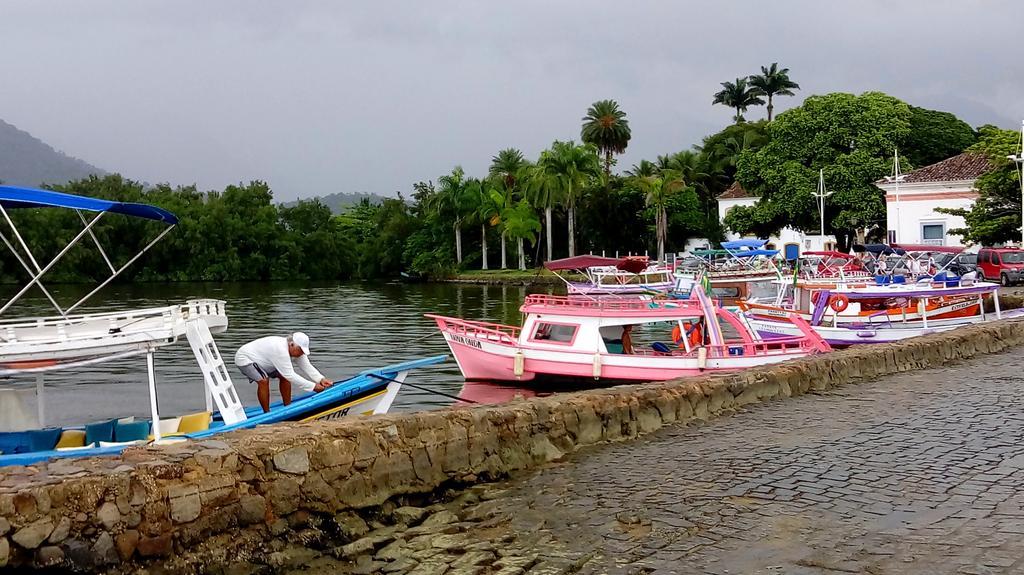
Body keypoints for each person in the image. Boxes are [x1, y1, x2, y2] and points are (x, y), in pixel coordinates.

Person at [234, 332, 333, 413]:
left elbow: (306, 366)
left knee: (283, 376)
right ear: (292, 345)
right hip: (245, 359)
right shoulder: (280, 350)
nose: (301, 354)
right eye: (300, 351)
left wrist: (321, 379)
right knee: (263, 381)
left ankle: (287, 407)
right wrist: (313, 387)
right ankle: (267, 413)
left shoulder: (296, 349)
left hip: (265, 361)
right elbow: (290, 375)